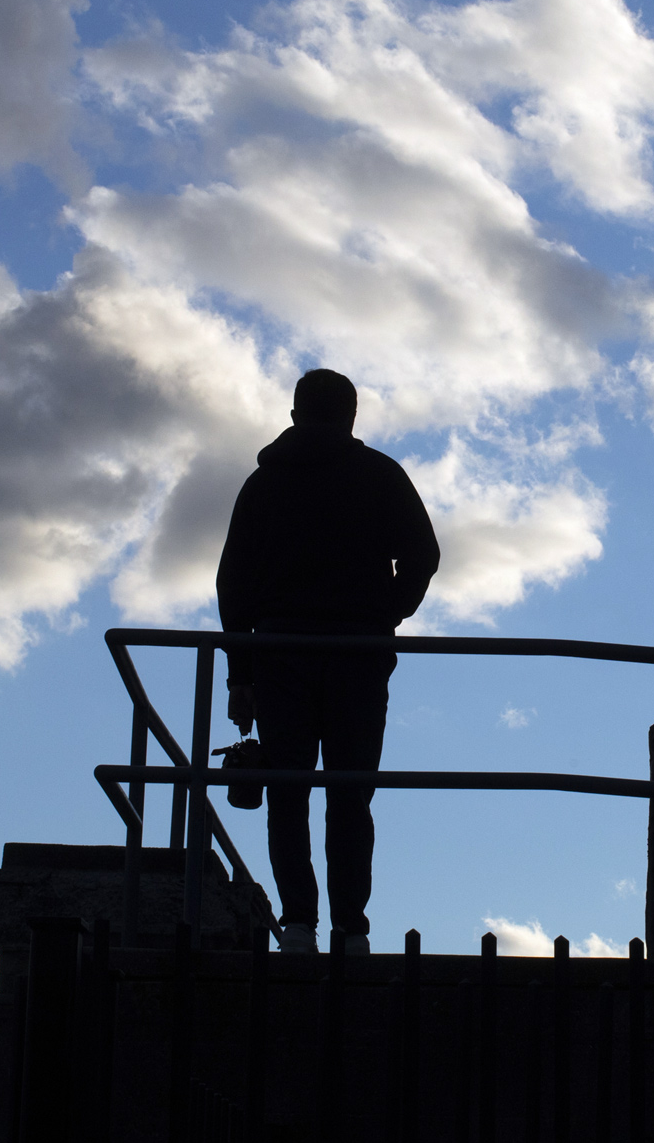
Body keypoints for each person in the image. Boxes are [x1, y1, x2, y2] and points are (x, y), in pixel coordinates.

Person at [217, 369, 440, 955]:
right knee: (350, 794)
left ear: (295, 416)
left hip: (280, 656)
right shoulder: (380, 476)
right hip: (358, 657)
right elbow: (423, 554)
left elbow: (233, 585)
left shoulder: (262, 486)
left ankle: (297, 924)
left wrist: (241, 674)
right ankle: (350, 930)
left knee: (288, 790)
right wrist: (384, 615)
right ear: (352, 416)